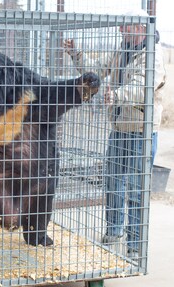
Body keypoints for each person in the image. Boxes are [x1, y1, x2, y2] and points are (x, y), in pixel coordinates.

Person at [64, 8, 166, 259]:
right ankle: (114, 229)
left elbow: (144, 85)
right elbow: (97, 69)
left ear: (141, 27)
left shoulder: (153, 54)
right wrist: (76, 54)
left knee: (135, 188)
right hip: (120, 128)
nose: (120, 29)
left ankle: (135, 243)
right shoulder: (122, 51)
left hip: (141, 131)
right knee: (112, 180)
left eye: (125, 26)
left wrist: (117, 95)